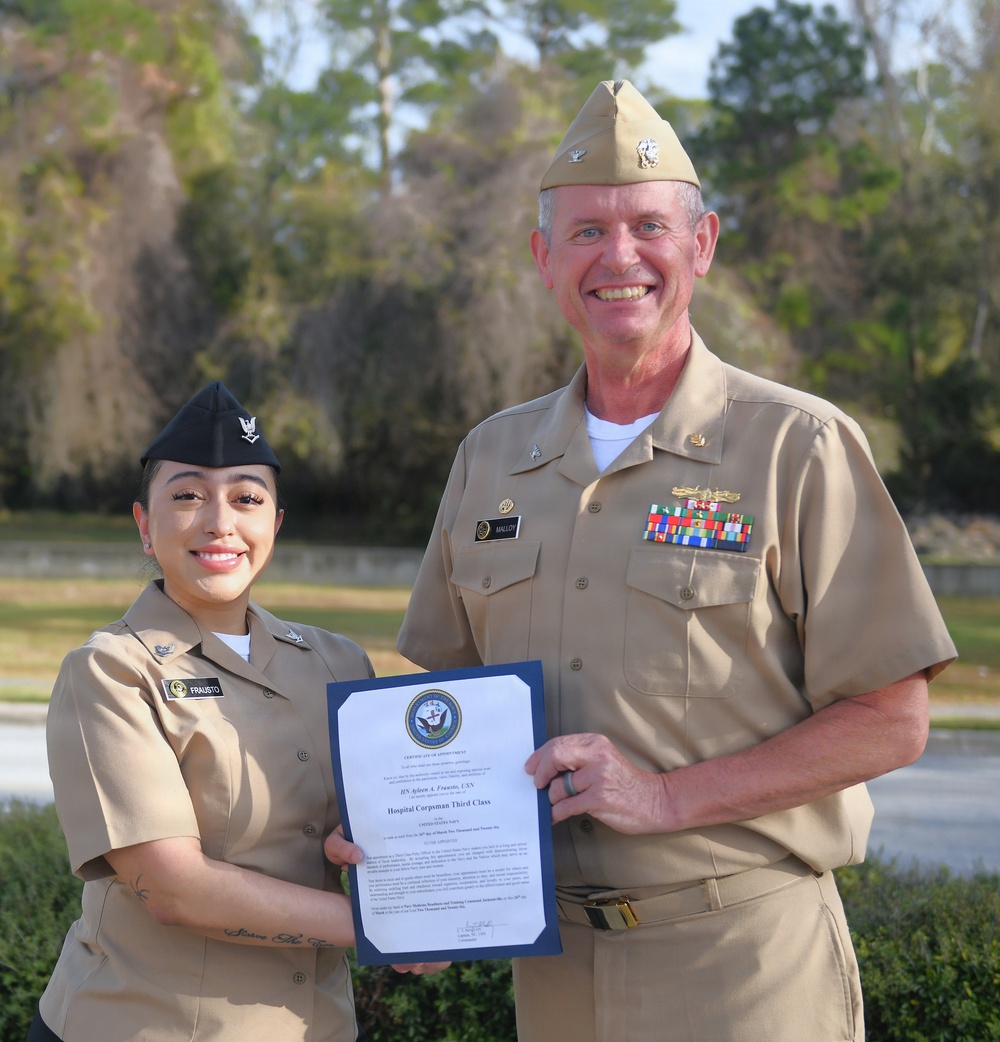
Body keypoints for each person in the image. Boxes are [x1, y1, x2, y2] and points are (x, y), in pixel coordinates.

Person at [390, 81, 958, 1041]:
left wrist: (663, 799)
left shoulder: (797, 445)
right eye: (585, 233)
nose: (619, 257)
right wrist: (420, 873)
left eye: (649, 225)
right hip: (555, 973)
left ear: (701, 244)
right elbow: (437, 696)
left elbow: (891, 721)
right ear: (543, 259)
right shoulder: (490, 458)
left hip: (743, 965)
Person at [30, 383, 443, 1042]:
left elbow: (373, 829)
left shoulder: (338, 663)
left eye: (247, 498)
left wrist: (403, 875)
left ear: (274, 524)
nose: (219, 521)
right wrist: (387, 923)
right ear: (144, 524)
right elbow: (172, 888)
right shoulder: (111, 670)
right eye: (188, 495)